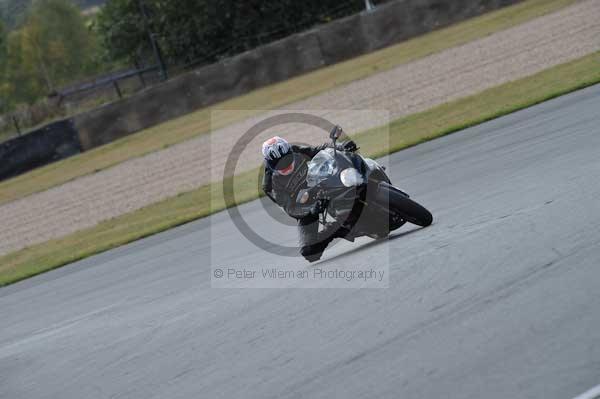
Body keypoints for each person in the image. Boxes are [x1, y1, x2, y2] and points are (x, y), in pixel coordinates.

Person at [261, 133, 358, 262]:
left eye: (286, 159)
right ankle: (336, 229)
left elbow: (319, 150)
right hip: (304, 204)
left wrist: (340, 147)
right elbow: (290, 208)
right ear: (269, 163)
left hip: (320, 183)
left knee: (345, 170)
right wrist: (311, 210)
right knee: (309, 252)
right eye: (278, 164)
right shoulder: (269, 185)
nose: (285, 166)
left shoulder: (296, 150)